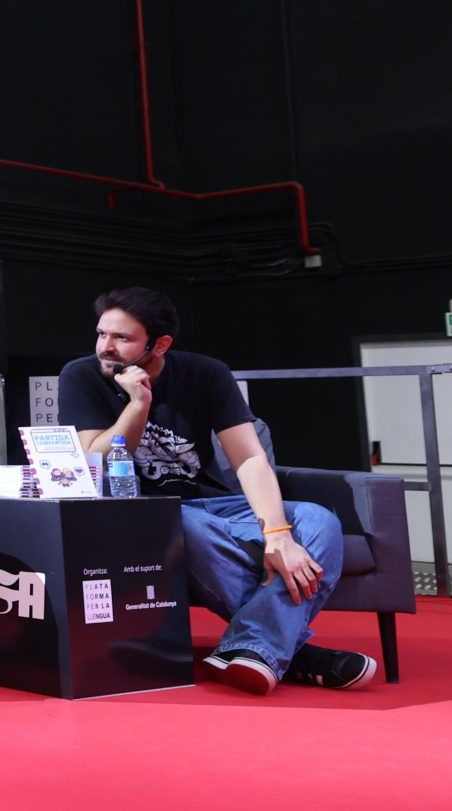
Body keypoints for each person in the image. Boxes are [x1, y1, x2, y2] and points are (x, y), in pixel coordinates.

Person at [59, 287, 376, 692]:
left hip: (217, 502)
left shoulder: (206, 373)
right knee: (182, 526)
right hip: (144, 509)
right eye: (102, 334)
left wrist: (277, 534)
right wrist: (137, 405)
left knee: (317, 519)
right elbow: (96, 458)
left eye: (122, 338)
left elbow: (249, 459)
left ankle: (256, 646)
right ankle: (292, 653)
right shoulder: (81, 375)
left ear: (160, 345)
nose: (106, 346)